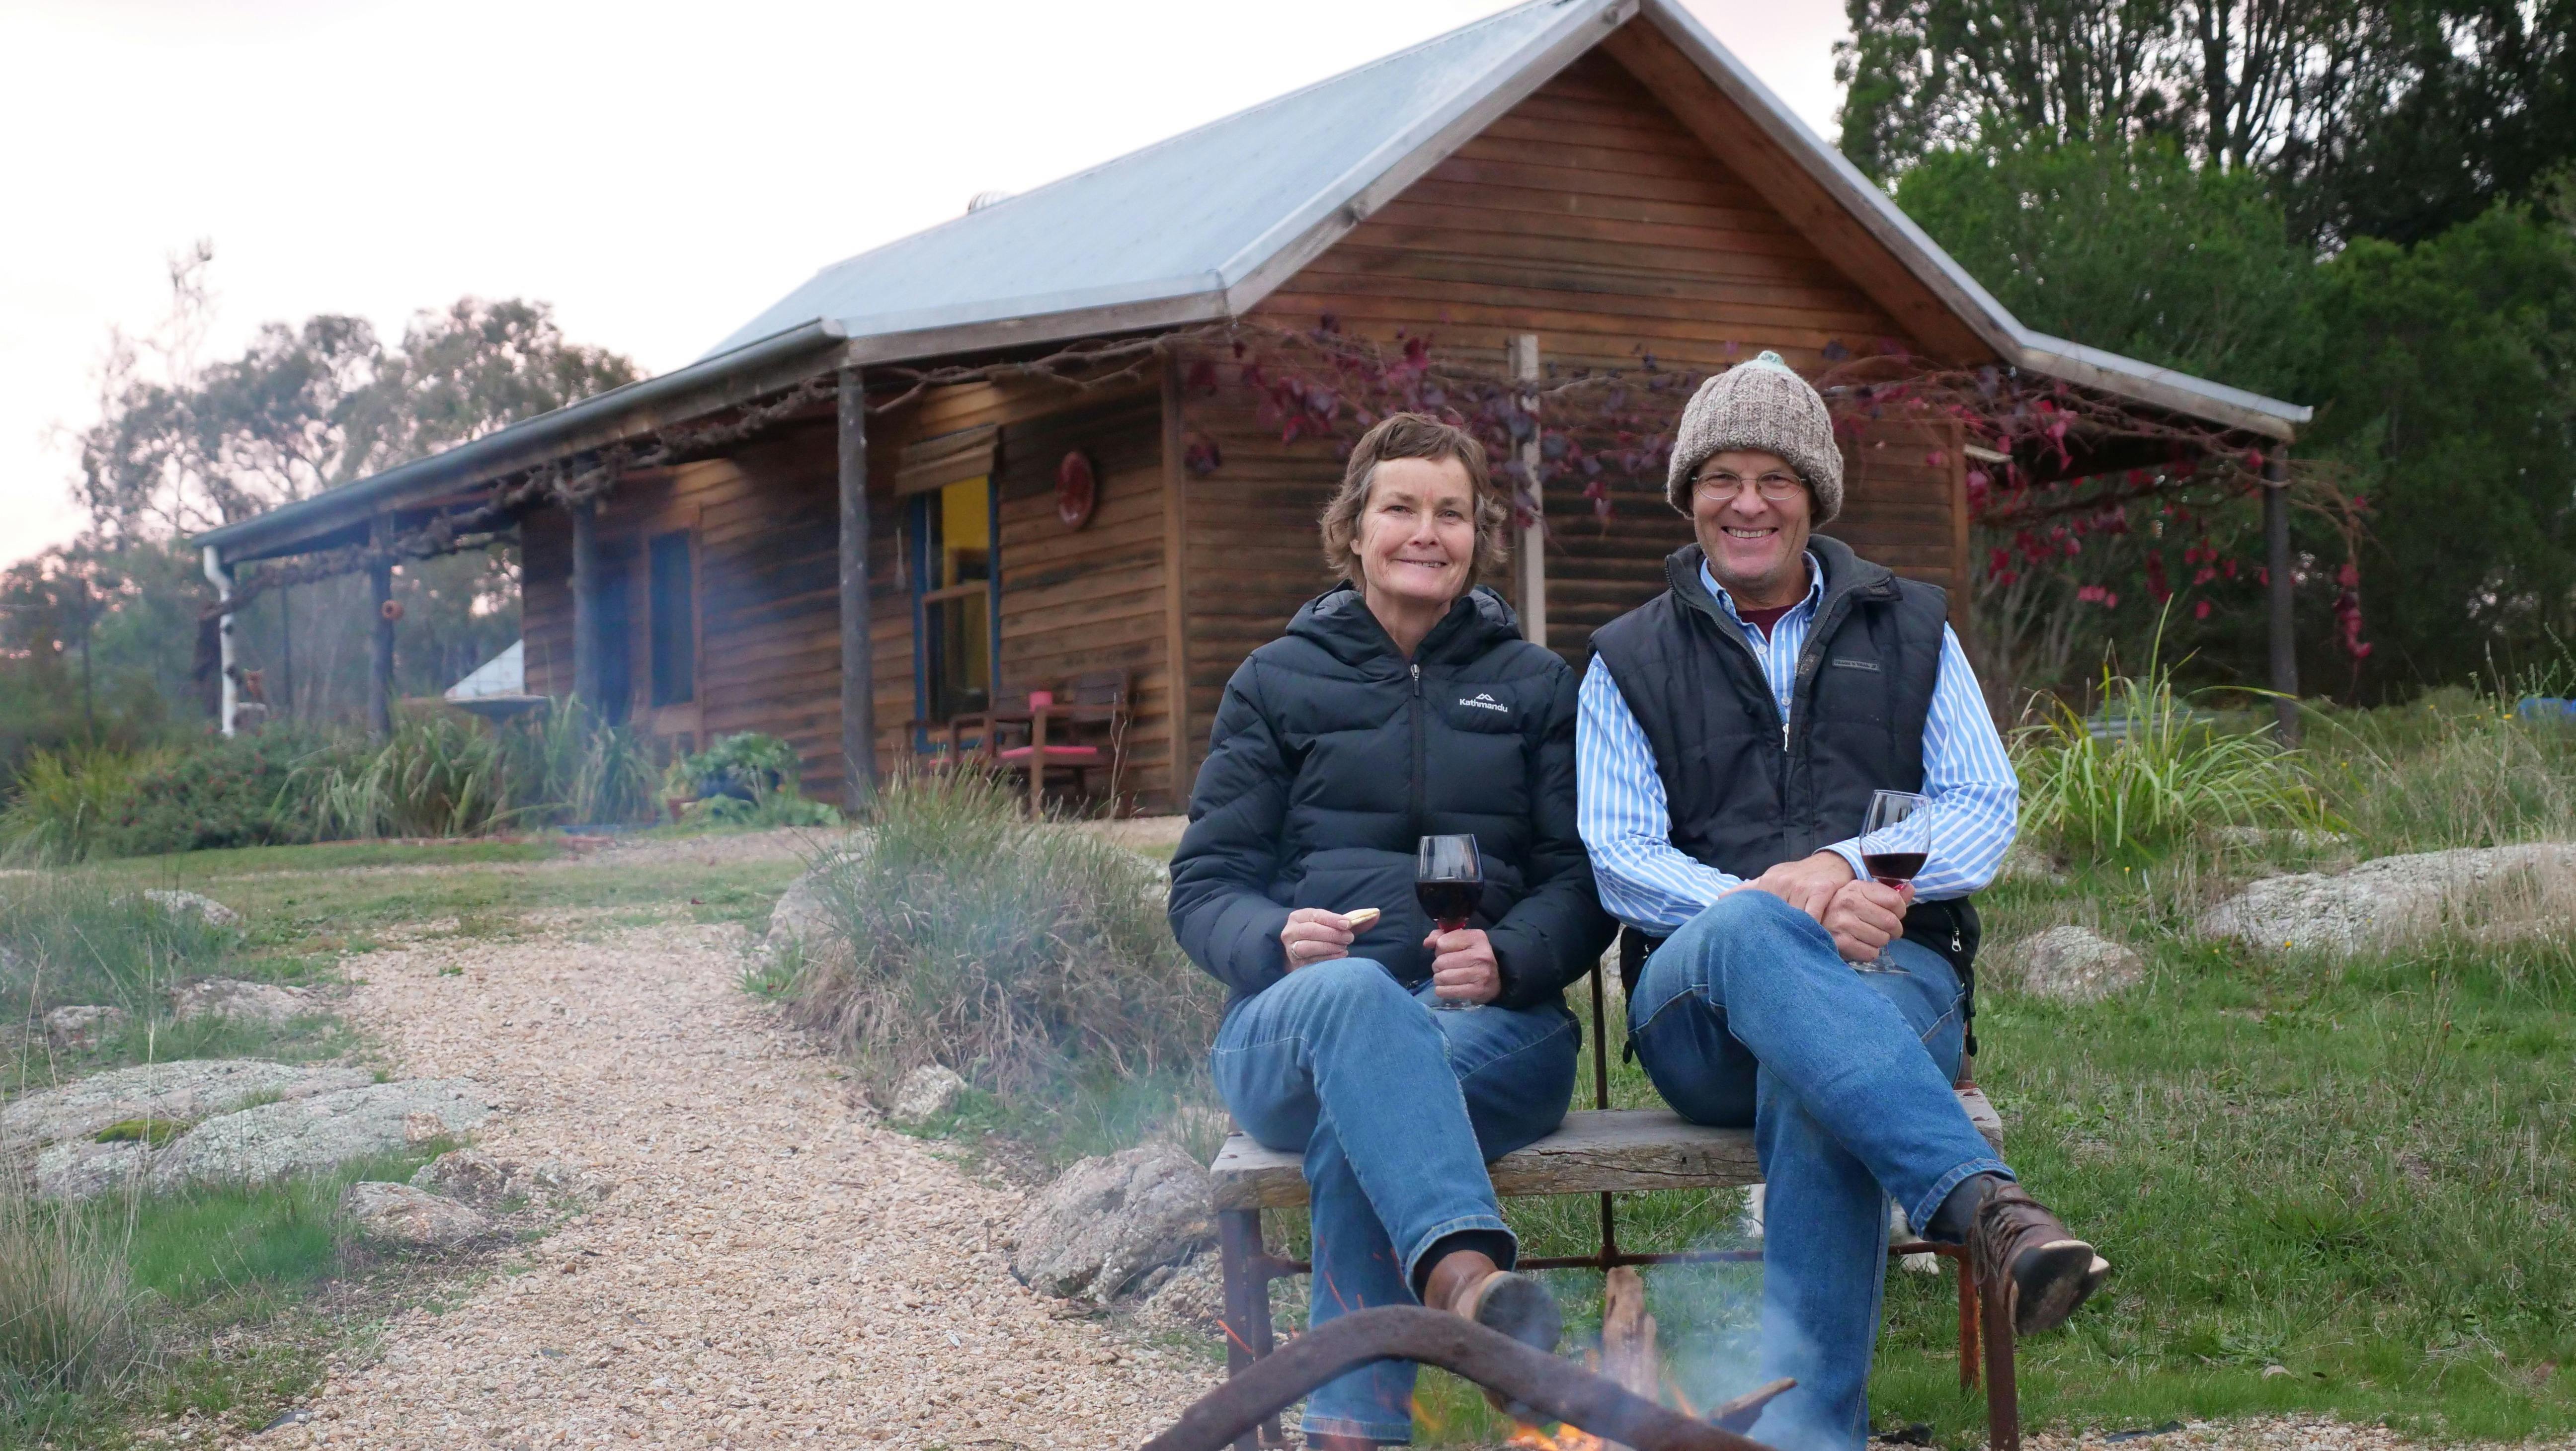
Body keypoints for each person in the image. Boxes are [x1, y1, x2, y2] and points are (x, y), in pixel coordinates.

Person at [1577, 353, 2108, 1451]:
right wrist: (1781, 906)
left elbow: (1983, 808)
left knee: (1818, 1075)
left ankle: (1812, 1436)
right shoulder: (1626, 658)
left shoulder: (1911, 626)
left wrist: (1840, 864)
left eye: (1775, 475)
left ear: (1814, 494)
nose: (1748, 501)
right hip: (1697, 1007)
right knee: (1757, 953)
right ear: (1691, 497)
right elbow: (1620, 856)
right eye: (1721, 475)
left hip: (1895, 969)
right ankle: (1986, 1209)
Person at [1169, 412, 1618, 1449]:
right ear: (1355, 529)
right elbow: (1203, 885)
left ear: (1478, 535)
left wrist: (1509, 955)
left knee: (1363, 1113)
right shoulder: (1276, 680)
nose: (1427, 531)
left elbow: (1579, 882)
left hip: (1492, 1028)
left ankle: (1353, 1430)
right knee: (1361, 1006)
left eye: (1451, 512)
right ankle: (1466, 1276)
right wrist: (1278, 936)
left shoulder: (1540, 687)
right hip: (1293, 1021)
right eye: (1401, 508)